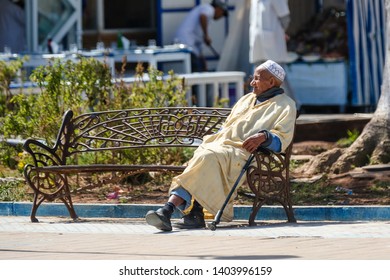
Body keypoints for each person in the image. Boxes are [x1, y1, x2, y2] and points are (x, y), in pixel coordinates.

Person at [145, 60, 297, 231]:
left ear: (271, 82)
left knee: (206, 157)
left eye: (256, 79)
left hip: (245, 152)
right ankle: (182, 212)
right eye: (252, 78)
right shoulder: (246, 99)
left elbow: (282, 138)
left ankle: (171, 210)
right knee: (203, 155)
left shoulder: (286, 105)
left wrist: (264, 136)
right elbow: (227, 126)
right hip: (221, 146)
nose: (252, 82)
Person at [249, 0, 300, 109]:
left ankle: (293, 106)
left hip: (273, 42)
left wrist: (280, 32)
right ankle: (257, 106)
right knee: (257, 77)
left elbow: (285, 18)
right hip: (257, 43)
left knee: (279, 76)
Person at [174, 0, 229, 72]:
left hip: (188, 45)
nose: (221, 16)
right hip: (185, 44)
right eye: (223, 13)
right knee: (195, 70)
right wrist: (206, 36)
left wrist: (203, 61)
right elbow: (202, 17)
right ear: (219, 9)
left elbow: (198, 46)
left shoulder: (206, 13)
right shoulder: (209, 9)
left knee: (198, 67)